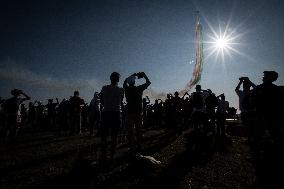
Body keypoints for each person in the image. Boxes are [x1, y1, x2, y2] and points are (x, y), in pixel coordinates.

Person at [123, 72, 151, 153]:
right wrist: (144, 75)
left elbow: (124, 82)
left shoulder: (126, 89)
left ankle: (132, 147)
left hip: (130, 113)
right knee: (139, 131)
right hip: (138, 112)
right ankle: (139, 146)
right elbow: (148, 82)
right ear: (134, 82)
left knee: (130, 132)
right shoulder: (139, 88)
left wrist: (131, 75)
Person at [100, 72, 124, 163]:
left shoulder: (104, 88)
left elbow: (101, 100)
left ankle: (104, 156)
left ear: (110, 78)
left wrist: (106, 104)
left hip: (106, 112)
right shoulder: (121, 90)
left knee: (104, 136)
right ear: (118, 79)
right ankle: (112, 157)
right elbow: (121, 101)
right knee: (114, 136)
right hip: (116, 113)